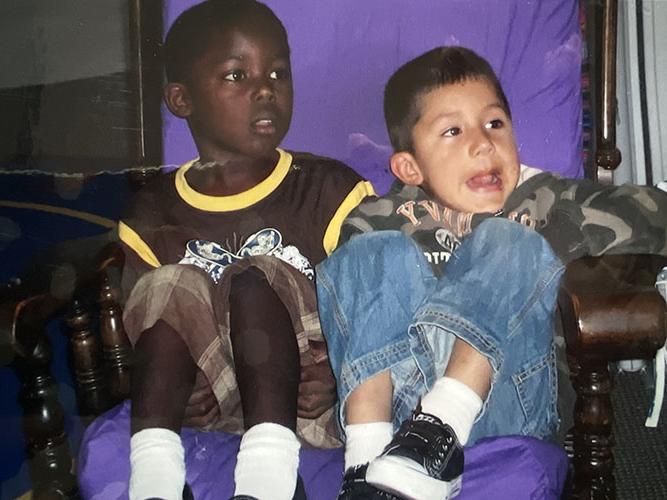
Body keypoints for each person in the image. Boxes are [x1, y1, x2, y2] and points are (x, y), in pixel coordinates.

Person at [316, 46, 667, 499]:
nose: (483, 142)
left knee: (510, 239)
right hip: (397, 404)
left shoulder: (541, 201)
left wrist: (563, 232)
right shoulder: (381, 215)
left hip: (510, 400)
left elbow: (652, 212)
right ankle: (365, 463)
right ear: (409, 166)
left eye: (495, 123)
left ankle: (441, 426)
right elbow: (357, 315)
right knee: (369, 253)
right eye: (453, 130)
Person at [119, 1, 374, 499]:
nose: (265, 88)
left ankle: (268, 484)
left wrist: (344, 378)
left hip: (311, 399)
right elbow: (142, 333)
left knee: (256, 276)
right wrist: (183, 392)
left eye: (278, 71)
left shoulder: (328, 190)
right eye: (237, 74)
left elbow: (378, 305)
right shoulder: (150, 216)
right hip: (218, 409)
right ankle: (154, 480)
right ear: (181, 99)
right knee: (168, 284)